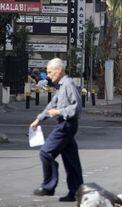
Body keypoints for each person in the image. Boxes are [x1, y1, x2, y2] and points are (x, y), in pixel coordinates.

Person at [30, 58, 83, 202]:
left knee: (45, 152)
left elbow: (76, 108)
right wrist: (38, 119)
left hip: (66, 124)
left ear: (59, 70)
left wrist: (59, 112)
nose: (48, 75)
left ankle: (48, 186)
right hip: (66, 124)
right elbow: (51, 105)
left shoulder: (68, 84)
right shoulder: (61, 86)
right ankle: (77, 193)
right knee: (71, 161)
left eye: (49, 72)